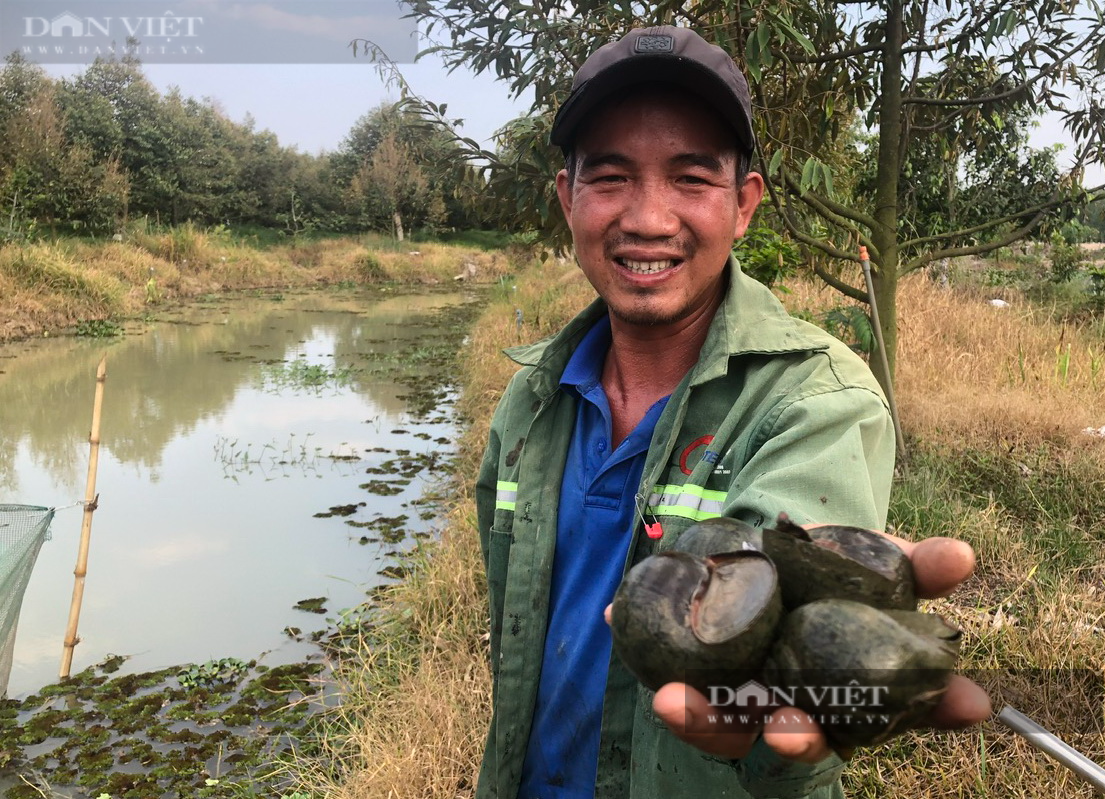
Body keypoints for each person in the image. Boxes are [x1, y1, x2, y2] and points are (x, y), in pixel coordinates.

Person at [475, 25, 990, 799]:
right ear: (566, 198)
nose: (648, 218)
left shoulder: (817, 401)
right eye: (610, 177)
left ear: (743, 204)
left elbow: (777, 684)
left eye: (690, 179)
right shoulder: (530, 400)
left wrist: (832, 652)